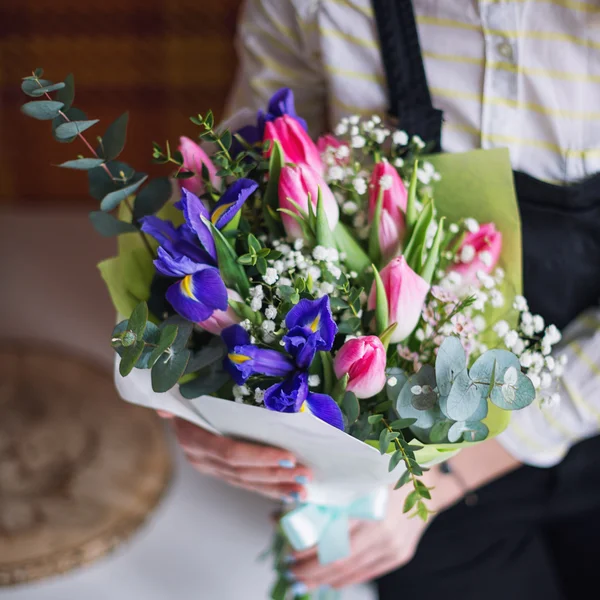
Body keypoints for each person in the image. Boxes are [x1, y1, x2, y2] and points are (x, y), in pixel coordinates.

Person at [168, 1, 600, 597]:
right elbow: (238, 200)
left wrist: (450, 472)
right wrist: (201, 397)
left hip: (451, 470)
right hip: (414, 464)